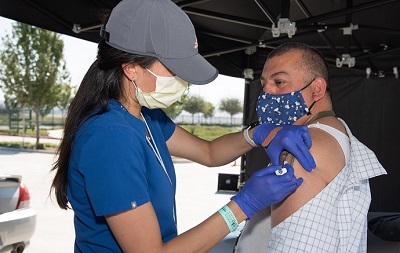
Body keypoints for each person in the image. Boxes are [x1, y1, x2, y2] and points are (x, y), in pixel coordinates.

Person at [49, 1, 317, 253]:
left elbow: (209, 152)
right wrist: (243, 205)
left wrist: (259, 134)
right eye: (174, 69)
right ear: (131, 69)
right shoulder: (110, 138)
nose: (183, 80)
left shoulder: (146, 117)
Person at [233, 42, 387, 253]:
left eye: (279, 81)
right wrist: (254, 134)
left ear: (317, 89)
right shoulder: (337, 132)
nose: (267, 91)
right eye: (264, 83)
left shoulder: (304, 146)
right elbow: (209, 152)